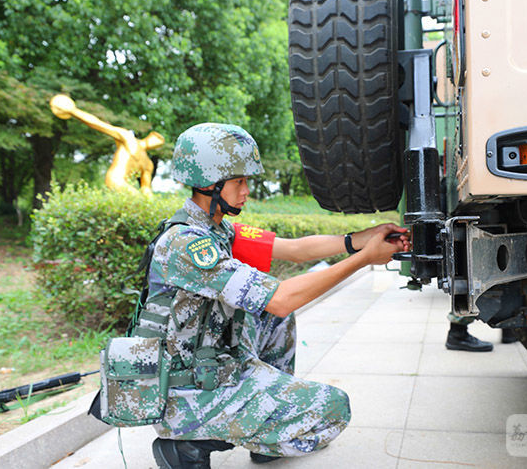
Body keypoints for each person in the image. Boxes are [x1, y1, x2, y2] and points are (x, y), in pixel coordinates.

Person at [137, 123, 410, 467]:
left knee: (272, 316)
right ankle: (190, 442)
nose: (247, 190)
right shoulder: (187, 244)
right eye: (239, 182)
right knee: (334, 409)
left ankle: (262, 430)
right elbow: (281, 296)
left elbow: (294, 250)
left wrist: (361, 238)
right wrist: (364, 259)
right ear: (210, 183)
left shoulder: (218, 229)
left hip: (211, 364)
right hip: (188, 390)